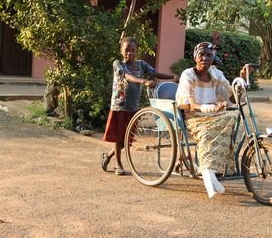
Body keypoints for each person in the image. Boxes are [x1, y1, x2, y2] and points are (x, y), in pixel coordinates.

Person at [175, 42, 251, 198]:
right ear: (195, 57)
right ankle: (207, 170)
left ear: (213, 58)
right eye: (201, 54)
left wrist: (241, 79)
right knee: (209, 129)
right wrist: (206, 108)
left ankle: (214, 168)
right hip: (194, 116)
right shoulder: (188, 75)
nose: (205, 58)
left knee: (235, 118)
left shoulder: (216, 74)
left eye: (209, 55)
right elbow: (185, 104)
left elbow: (232, 98)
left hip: (214, 116)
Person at [101, 36, 179, 175]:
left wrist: (172, 78)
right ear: (121, 51)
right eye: (126, 50)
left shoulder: (142, 65)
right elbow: (126, 77)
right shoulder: (118, 64)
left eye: (132, 50)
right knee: (119, 137)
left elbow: (155, 73)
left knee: (126, 140)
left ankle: (108, 156)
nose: (129, 53)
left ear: (136, 51)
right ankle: (119, 165)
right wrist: (143, 81)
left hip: (133, 107)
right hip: (119, 105)